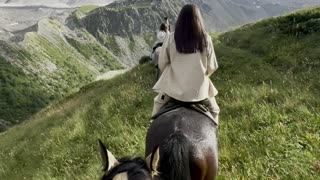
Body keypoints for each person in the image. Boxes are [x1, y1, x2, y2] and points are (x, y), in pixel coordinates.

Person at [151, 4, 220, 125]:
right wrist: (202, 74)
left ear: (180, 19)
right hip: (199, 92)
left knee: (157, 105)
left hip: (172, 91)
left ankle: (152, 136)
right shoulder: (205, 38)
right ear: (198, 19)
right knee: (214, 110)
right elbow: (212, 67)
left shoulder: (171, 37)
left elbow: (162, 63)